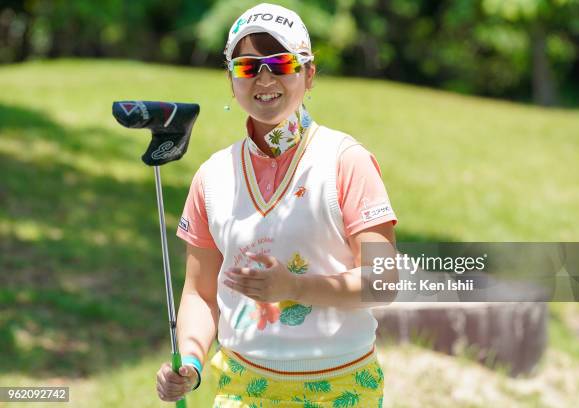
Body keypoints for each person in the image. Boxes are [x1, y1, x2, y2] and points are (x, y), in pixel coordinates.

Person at [156, 3, 398, 407]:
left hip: (341, 388)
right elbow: (199, 293)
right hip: (242, 388)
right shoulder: (213, 176)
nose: (264, 78)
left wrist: (295, 288)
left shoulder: (345, 161)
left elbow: (383, 281)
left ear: (309, 74)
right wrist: (193, 363)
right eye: (248, 67)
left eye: (280, 63)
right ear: (231, 79)